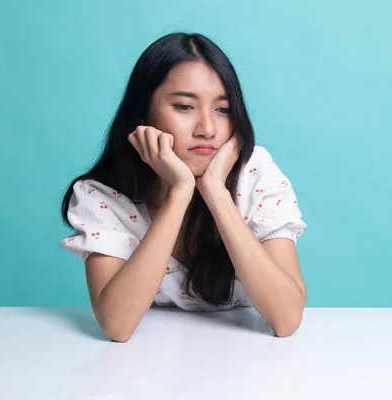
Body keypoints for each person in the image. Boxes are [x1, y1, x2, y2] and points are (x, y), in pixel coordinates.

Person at [60, 32, 307, 341]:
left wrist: (216, 193)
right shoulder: (102, 197)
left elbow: (286, 318)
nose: (207, 129)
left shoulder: (255, 173)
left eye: (223, 109)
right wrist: (179, 193)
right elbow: (117, 326)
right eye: (184, 107)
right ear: (142, 113)